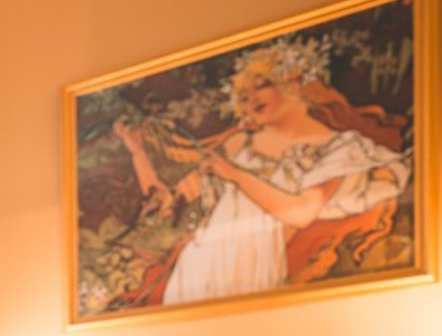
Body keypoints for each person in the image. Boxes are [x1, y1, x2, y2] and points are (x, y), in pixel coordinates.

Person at [112, 36, 411, 307]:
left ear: (294, 82)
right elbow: (168, 200)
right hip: (198, 266)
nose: (251, 99)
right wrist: (138, 153)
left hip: (255, 269)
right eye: (243, 96)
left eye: (261, 84)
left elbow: (301, 213)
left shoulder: (339, 148)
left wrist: (236, 175)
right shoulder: (240, 142)